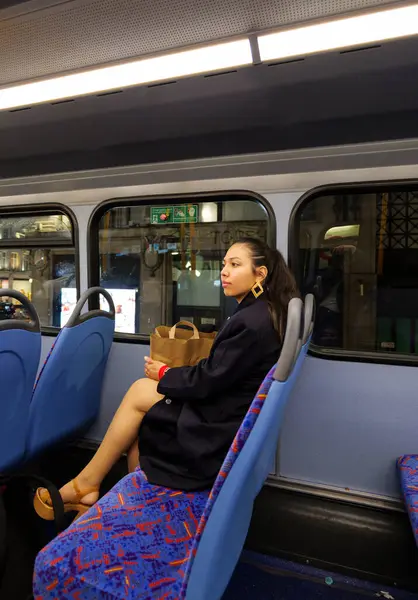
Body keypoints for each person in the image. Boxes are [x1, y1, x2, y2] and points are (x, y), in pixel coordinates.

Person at [33, 237, 298, 520]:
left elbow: (209, 381)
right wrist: (172, 374)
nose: (224, 271)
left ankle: (91, 487)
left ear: (260, 274)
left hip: (216, 426)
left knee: (141, 399)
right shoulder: (259, 311)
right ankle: (111, 497)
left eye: (235, 265)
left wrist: (164, 373)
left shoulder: (251, 322)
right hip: (226, 410)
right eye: (223, 265)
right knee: (142, 414)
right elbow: (221, 371)